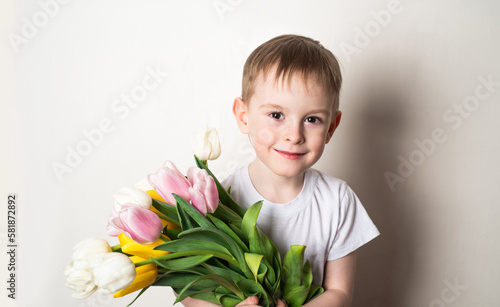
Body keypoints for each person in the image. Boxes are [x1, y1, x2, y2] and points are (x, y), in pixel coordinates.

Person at [182, 34, 379, 307]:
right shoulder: (218, 198)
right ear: (243, 116)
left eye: (312, 119)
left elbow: (340, 293)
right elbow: (191, 290)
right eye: (276, 115)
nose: (293, 135)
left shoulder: (338, 200)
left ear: (331, 127)